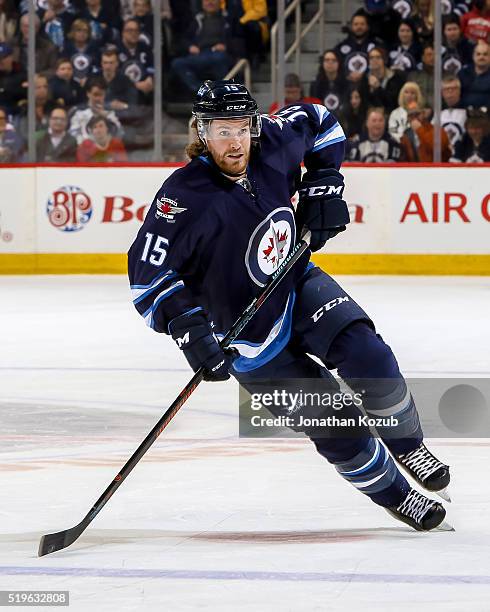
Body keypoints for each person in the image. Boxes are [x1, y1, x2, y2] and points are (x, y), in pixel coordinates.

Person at [127, 79, 451, 532]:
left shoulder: (273, 139)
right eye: (222, 130)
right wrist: (187, 327)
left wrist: (324, 183)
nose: (235, 141)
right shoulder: (181, 198)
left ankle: (408, 444)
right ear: (201, 132)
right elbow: (147, 276)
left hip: (295, 283)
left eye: (242, 127)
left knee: (367, 354)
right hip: (247, 341)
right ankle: (398, 496)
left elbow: (322, 122)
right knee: (334, 423)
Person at [170, 0, 232, 95]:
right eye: (206, 0)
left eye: (213, 0)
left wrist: (226, 45)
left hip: (218, 53)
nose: (210, 3)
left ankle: (222, 93)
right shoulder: (196, 19)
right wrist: (190, 46)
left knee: (220, 59)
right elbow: (184, 39)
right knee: (177, 63)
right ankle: (201, 90)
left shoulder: (228, 18)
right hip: (199, 54)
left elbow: (236, 38)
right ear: (202, 4)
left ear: (220, 2)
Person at [69, 75, 123, 144]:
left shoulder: (110, 113)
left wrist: (105, 116)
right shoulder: (78, 112)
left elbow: (119, 135)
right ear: (88, 94)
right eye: (95, 94)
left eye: (101, 95)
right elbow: (72, 136)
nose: (98, 98)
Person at [335, 12, 377, 82]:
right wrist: (347, 74)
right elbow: (335, 66)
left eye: (362, 24)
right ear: (351, 27)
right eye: (356, 24)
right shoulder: (340, 47)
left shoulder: (376, 46)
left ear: (367, 27)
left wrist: (364, 75)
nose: (359, 27)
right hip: (346, 85)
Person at [459, 40, 490, 107]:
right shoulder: (463, 73)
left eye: (485, 54)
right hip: (464, 112)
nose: (481, 57)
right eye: (478, 54)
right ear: (473, 56)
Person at [440, 75, 467, 149]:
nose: (450, 91)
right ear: (442, 93)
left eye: (454, 88)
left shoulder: (467, 112)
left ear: (459, 91)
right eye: (447, 89)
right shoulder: (437, 112)